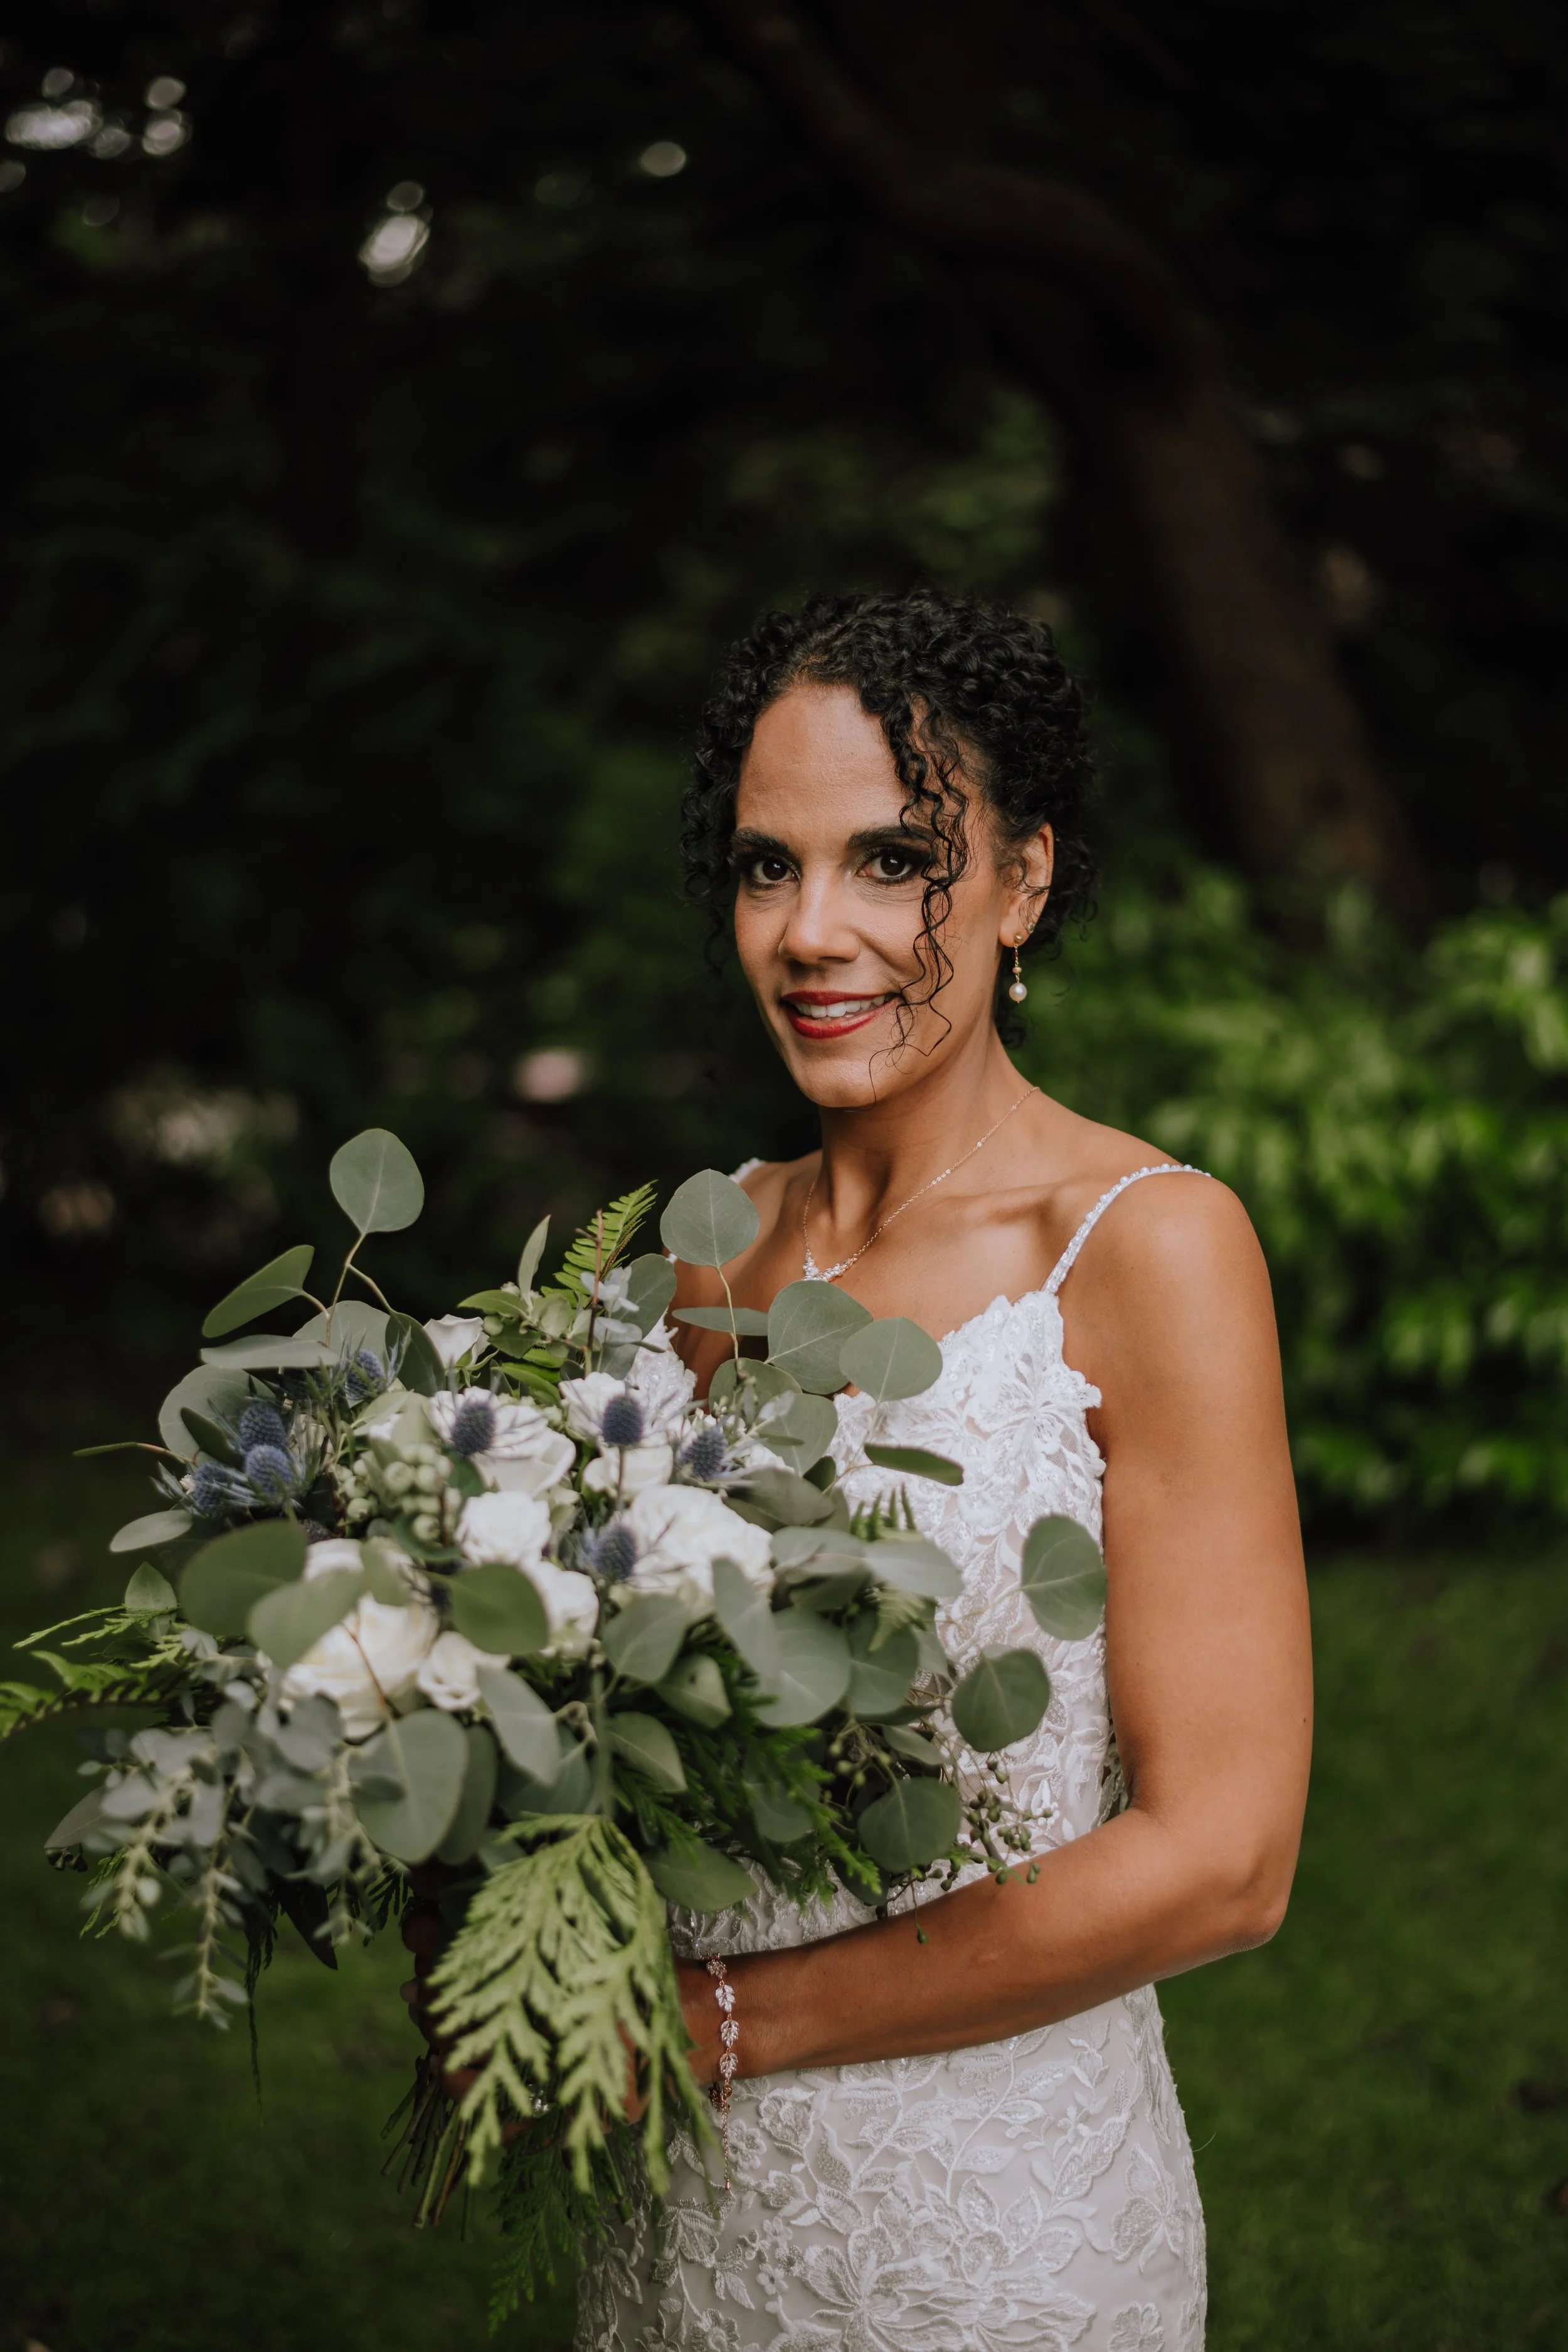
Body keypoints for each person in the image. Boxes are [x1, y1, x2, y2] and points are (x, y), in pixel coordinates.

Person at [571, 588, 1312, 2352]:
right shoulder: (692, 1257)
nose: (812, 931)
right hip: (665, 2209)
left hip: (984, 2228)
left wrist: (730, 2022)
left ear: (1023, 880)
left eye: (891, 860)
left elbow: (1224, 1857)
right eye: (767, 867)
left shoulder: (1146, 1248)